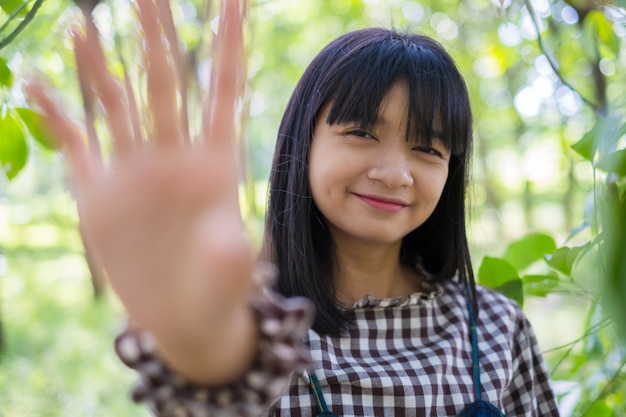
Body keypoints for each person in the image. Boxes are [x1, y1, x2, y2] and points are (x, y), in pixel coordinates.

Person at [27, 0, 560, 415]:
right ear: (303, 143)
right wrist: (200, 348)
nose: (395, 172)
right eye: (360, 132)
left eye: (427, 148)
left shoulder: (495, 326)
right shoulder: (258, 329)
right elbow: (223, 375)